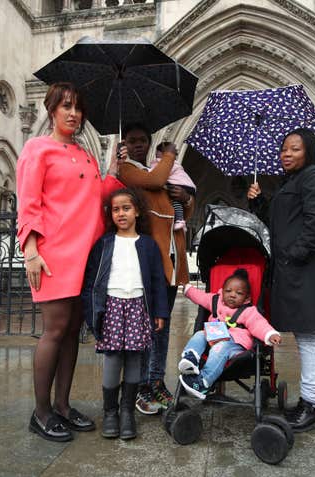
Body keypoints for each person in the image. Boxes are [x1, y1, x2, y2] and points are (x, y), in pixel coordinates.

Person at [17, 82, 123, 442]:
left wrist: (111, 168)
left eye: (78, 108)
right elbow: (28, 203)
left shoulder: (86, 155)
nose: (73, 114)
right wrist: (30, 250)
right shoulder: (38, 149)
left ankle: (62, 406)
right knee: (55, 330)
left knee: (73, 332)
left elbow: (97, 198)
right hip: (54, 254)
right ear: (52, 110)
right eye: (66, 106)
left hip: (87, 255)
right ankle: (41, 412)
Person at [247, 128, 315, 433]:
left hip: (305, 268)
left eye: (294, 149)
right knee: (304, 334)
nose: (286, 154)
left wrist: (292, 256)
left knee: (308, 335)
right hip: (295, 268)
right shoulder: (293, 182)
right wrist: (259, 204)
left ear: (308, 152)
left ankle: (312, 403)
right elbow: (278, 223)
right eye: (284, 149)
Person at [118, 123, 194, 414]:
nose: (138, 145)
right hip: (150, 263)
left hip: (173, 263)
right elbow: (155, 180)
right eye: (132, 141)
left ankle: (157, 381)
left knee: (162, 327)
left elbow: (183, 206)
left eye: (142, 140)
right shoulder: (130, 171)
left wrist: (186, 198)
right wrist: (171, 155)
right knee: (148, 326)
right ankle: (142, 386)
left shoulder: (155, 170)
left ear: (149, 144)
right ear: (125, 144)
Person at [82, 188, 169, 440]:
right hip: (110, 306)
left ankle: (127, 411)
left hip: (138, 306)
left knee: (134, 358)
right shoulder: (105, 243)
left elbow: (157, 281)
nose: (121, 213)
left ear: (137, 211)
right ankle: (110, 412)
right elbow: (91, 282)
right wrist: (91, 313)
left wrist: (160, 311)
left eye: (126, 208)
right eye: (116, 209)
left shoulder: (148, 245)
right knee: (112, 358)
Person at [178, 269, 282, 399]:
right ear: (222, 291)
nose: (232, 295)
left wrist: (270, 334)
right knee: (200, 334)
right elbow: (200, 297)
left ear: (247, 297)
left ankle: (203, 382)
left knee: (220, 347)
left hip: (234, 344)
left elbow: (259, 324)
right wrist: (187, 289)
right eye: (228, 291)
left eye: (239, 293)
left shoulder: (249, 311)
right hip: (212, 338)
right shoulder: (215, 301)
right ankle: (191, 358)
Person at [151, 141, 196, 232]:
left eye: (158, 151)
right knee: (175, 200)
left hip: (180, 185)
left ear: (164, 152)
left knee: (173, 198)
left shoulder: (164, 162)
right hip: (188, 186)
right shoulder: (175, 163)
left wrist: (147, 172)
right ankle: (180, 220)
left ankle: (179, 220)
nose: (156, 154)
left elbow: (155, 175)